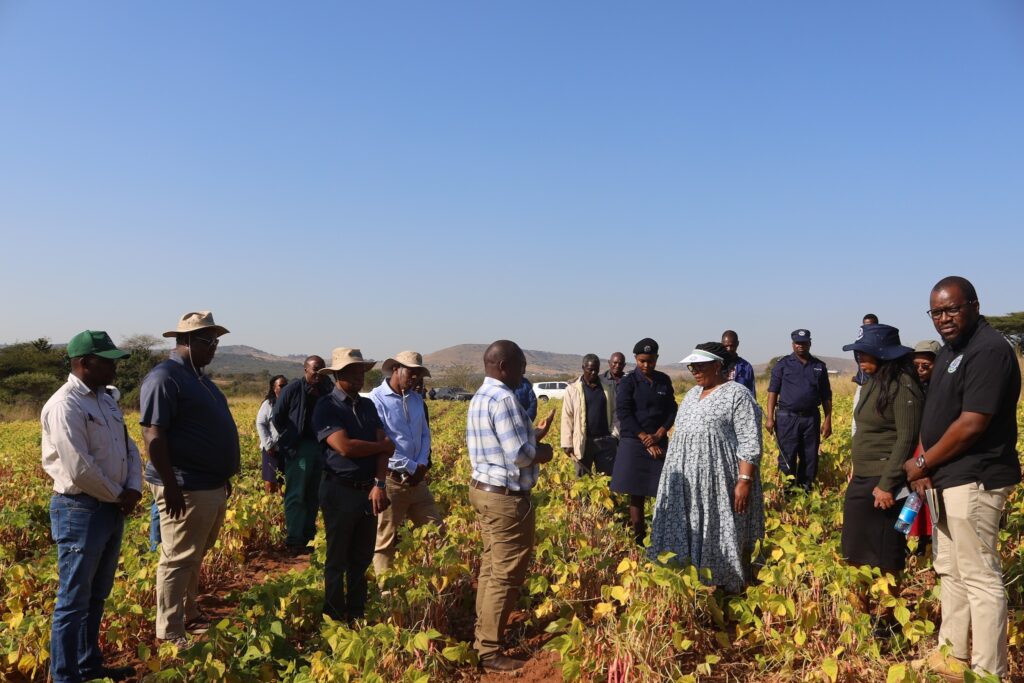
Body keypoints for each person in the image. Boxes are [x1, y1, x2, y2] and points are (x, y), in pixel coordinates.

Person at [906, 276, 1021, 681]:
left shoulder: (989, 351)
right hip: (946, 478)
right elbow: (934, 416)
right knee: (950, 570)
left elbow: (972, 423)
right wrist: (925, 461)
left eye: (952, 308)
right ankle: (951, 658)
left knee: (979, 577)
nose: (944, 318)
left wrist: (921, 464)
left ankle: (989, 672)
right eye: (936, 312)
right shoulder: (954, 351)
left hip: (976, 477)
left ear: (973, 304)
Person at [42, 331, 141, 683]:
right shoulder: (64, 405)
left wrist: (133, 487)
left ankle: (88, 666)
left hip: (110, 507)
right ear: (85, 363)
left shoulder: (106, 399)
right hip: (80, 510)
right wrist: (120, 495)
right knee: (72, 601)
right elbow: (78, 467)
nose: (115, 367)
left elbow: (128, 447)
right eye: (108, 361)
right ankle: (65, 676)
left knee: (97, 595)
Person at [141, 311, 239, 645]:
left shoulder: (199, 378)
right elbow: (153, 434)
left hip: (209, 483)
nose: (214, 347)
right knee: (178, 558)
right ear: (185, 341)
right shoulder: (165, 377)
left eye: (216, 341)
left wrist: (222, 473)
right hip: (184, 484)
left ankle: (189, 612)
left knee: (195, 554)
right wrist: (170, 484)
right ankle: (169, 631)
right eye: (207, 341)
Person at [467, 340, 554, 673]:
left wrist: (533, 433)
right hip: (505, 499)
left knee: (491, 569)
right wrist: (543, 451)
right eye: (520, 365)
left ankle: (483, 636)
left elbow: (503, 442)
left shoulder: (480, 397)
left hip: (484, 492)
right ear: (503, 366)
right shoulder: (504, 399)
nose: (524, 372)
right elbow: (519, 455)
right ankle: (489, 650)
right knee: (505, 574)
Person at [649, 343, 764, 594]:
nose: (694, 370)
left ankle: (725, 586)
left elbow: (749, 441)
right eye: (692, 366)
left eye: (700, 365)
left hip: (718, 482)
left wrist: (744, 481)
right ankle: (690, 580)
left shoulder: (737, 394)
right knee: (688, 527)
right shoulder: (691, 394)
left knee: (719, 528)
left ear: (717, 365)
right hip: (686, 482)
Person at [839, 325, 923, 637]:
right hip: (863, 479)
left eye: (865, 352)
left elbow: (906, 437)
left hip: (885, 481)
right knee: (854, 549)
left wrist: (887, 483)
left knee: (887, 552)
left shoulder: (904, 385)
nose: (860, 357)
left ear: (885, 354)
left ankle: (888, 620)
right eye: (858, 352)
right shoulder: (875, 382)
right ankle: (861, 615)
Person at [313, 348, 393, 622]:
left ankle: (356, 613)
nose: (360, 377)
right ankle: (334, 615)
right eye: (353, 372)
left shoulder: (368, 405)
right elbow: (344, 447)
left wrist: (380, 483)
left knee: (361, 557)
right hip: (339, 490)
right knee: (337, 559)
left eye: (361, 371)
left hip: (368, 491)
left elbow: (386, 449)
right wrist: (378, 446)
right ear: (338, 375)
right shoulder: (326, 406)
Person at [368, 351, 444, 575]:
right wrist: (412, 467)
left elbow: (424, 435)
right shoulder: (376, 400)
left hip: (417, 481)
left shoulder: (416, 399)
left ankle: (441, 581)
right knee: (385, 540)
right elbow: (381, 442)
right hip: (391, 480)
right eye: (411, 373)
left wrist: (421, 465)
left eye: (419, 375)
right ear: (396, 370)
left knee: (437, 532)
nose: (415, 379)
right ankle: (385, 591)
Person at [610, 338, 678, 544]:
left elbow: (672, 409)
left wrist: (659, 433)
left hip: (659, 440)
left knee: (662, 492)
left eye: (650, 361)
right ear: (635, 359)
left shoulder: (664, 380)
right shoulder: (628, 382)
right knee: (636, 495)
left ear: (656, 358)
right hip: (634, 442)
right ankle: (639, 540)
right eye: (641, 361)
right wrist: (646, 439)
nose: (646, 365)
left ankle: (661, 538)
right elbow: (624, 412)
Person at [272, 356, 333, 555]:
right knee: (296, 493)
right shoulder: (293, 389)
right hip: (299, 448)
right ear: (305, 369)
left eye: (322, 370)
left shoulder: (327, 389)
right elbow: (278, 418)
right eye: (315, 369)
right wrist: (291, 437)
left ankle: (308, 535)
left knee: (314, 494)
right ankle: (294, 538)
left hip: (320, 447)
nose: (318, 374)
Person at [765, 329, 832, 492]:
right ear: (793, 344)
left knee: (810, 458)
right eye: (797, 343)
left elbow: (826, 396)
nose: (801, 346)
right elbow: (772, 391)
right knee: (787, 457)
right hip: (787, 418)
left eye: (804, 343)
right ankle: (787, 493)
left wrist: (828, 420)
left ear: (810, 343)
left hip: (811, 419)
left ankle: (806, 492)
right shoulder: (782, 365)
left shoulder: (819, 366)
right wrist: (769, 418)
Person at [561, 354, 618, 477]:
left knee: (606, 481)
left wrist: (614, 435)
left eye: (596, 369)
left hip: (605, 441)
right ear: (583, 368)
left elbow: (615, 411)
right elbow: (567, 417)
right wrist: (567, 443)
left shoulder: (607, 387)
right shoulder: (573, 389)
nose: (593, 372)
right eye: (590, 369)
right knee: (582, 481)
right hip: (582, 442)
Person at [256, 375, 288, 494]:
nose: (284, 388)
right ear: (274, 388)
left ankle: (279, 508)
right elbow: (260, 423)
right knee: (271, 480)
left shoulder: (289, 403)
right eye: (281, 385)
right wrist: (269, 444)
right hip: (272, 449)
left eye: (286, 385)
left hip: (285, 448)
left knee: (282, 480)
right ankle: (269, 505)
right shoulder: (268, 404)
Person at [721, 330, 756, 397]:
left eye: (732, 346)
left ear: (737, 344)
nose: (729, 349)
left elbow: (752, 393)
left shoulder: (746, 367)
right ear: (721, 344)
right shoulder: (716, 365)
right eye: (726, 346)